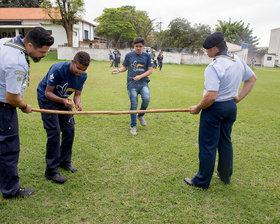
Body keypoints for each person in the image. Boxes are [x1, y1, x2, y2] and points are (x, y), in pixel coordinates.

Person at [184, 32, 256, 190]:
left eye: (207, 49)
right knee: (225, 141)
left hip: (214, 108)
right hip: (230, 107)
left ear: (215, 48)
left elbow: (211, 96)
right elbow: (252, 79)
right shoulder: (237, 60)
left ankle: (201, 181)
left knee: (208, 145)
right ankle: (225, 176)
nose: (206, 52)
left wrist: (197, 108)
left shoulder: (214, 66)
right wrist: (238, 97)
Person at [0, 27, 54, 199]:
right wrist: (24, 106)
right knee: (8, 149)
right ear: (29, 45)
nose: (44, 55)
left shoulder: (5, 43)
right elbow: (12, 98)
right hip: (3, 109)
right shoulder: (17, 61)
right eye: (42, 52)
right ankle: (10, 190)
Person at [37, 51, 90, 184]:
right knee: (54, 132)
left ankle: (64, 162)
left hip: (63, 101)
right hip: (47, 100)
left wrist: (78, 103)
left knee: (69, 130)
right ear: (73, 62)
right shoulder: (58, 69)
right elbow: (48, 93)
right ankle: (51, 171)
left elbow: (77, 94)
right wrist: (63, 101)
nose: (80, 72)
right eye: (78, 68)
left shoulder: (83, 76)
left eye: (83, 70)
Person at [112, 37, 153, 135]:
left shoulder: (147, 56)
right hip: (132, 83)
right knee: (134, 104)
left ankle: (140, 116)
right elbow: (125, 67)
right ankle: (133, 126)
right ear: (134, 46)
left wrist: (140, 76)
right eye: (136, 46)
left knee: (146, 99)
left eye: (140, 46)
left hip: (143, 83)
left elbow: (150, 70)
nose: (138, 48)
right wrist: (118, 70)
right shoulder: (129, 55)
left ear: (143, 47)